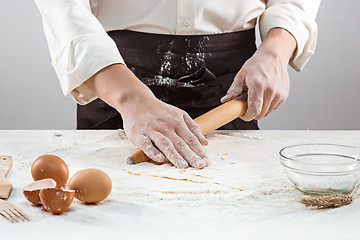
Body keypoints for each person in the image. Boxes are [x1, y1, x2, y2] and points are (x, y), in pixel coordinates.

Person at [34, 0, 320, 169]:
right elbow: (64, 11)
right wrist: (132, 100)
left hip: (230, 94)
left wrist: (276, 48)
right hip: (116, 89)